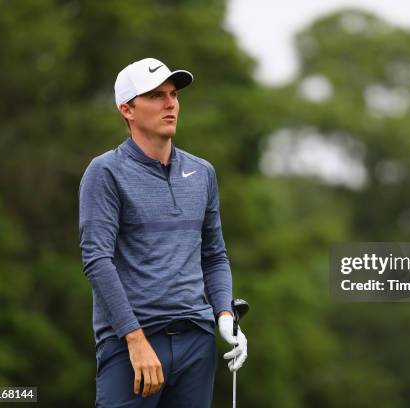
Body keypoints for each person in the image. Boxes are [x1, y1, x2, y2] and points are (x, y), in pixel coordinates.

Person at [79, 57, 247, 407]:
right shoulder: (106, 172)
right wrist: (135, 340)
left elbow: (214, 255)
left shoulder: (202, 173)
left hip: (196, 342)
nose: (170, 103)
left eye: (173, 94)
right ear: (127, 109)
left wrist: (225, 315)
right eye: (156, 95)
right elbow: (97, 260)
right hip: (132, 346)